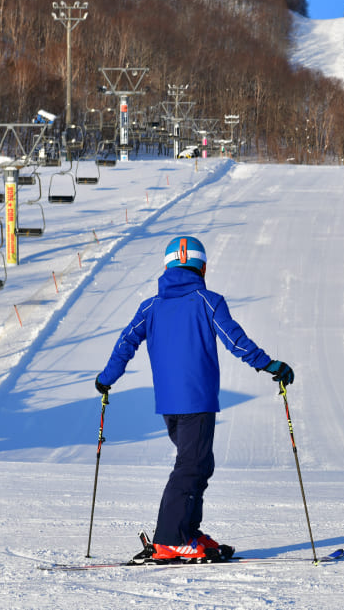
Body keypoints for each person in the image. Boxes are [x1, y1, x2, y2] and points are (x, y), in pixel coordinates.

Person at [95, 235, 295, 563]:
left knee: (199, 463)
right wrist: (269, 364)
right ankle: (170, 540)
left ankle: (186, 531)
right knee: (191, 466)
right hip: (198, 399)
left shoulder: (151, 306)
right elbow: (235, 339)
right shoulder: (207, 300)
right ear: (202, 267)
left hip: (169, 404)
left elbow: (125, 341)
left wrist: (107, 379)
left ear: (168, 267)